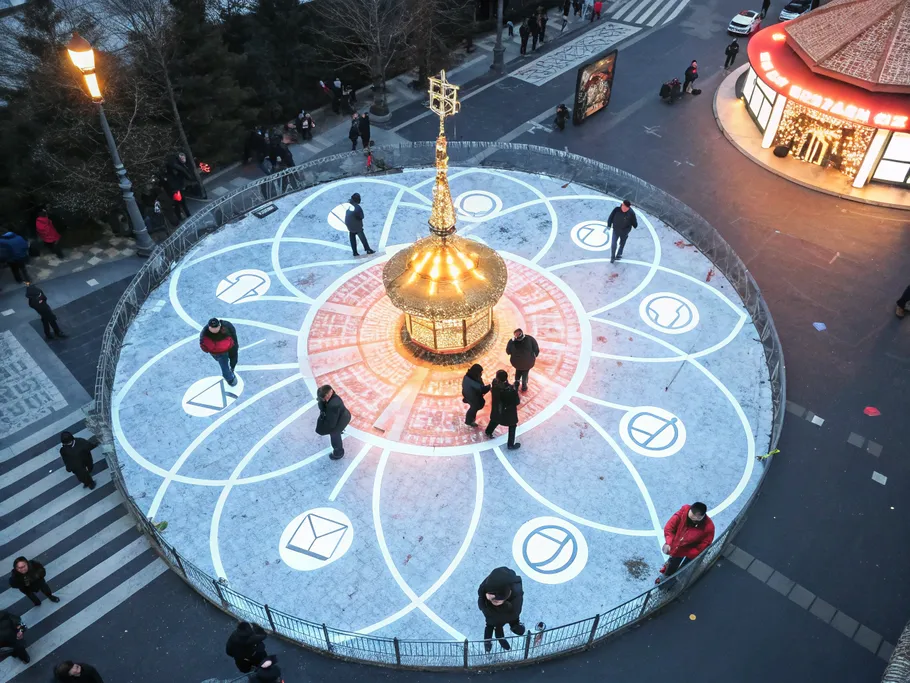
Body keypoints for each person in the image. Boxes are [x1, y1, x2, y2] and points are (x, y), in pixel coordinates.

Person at [655, 502, 715, 584]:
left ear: (701, 517)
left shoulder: (709, 528)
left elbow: (704, 545)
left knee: (685, 567)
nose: (690, 520)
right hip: (678, 547)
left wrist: (688, 552)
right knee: (672, 563)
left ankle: (677, 580)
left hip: (691, 551)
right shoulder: (683, 512)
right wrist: (669, 543)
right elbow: (669, 528)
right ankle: (667, 579)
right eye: (689, 517)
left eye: (693, 520)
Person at [477, 566, 525, 652]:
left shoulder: (515, 597)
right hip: (493, 615)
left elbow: (514, 612)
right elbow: (481, 591)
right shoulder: (488, 585)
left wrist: (514, 624)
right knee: (492, 628)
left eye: (497, 600)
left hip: (506, 614)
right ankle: (489, 645)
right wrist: (484, 605)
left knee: (496, 630)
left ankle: (499, 642)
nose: (494, 601)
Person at [484, 369, 521, 450]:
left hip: (497, 409)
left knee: (495, 419)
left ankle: (488, 431)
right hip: (508, 412)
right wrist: (516, 388)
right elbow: (517, 402)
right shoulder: (511, 390)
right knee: (512, 425)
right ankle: (510, 445)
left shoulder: (494, 385)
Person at [199, 318, 239, 386]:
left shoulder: (227, 326)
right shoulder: (205, 333)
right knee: (224, 366)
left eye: (216, 327)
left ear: (219, 325)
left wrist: (235, 345)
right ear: (209, 327)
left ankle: (232, 369)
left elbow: (233, 335)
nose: (214, 329)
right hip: (218, 353)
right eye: (212, 328)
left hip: (230, 347)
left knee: (234, 359)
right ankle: (229, 379)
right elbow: (203, 345)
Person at [316, 385, 352, 460]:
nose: (326, 398)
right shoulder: (322, 394)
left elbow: (332, 423)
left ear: (331, 391)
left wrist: (326, 428)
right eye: (324, 397)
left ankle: (338, 453)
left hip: (342, 418)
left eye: (327, 396)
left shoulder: (334, 404)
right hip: (340, 415)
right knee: (334, 430)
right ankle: (340, 430)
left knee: (334, 433)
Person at [506, 328, 539, 392]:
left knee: (518, 370)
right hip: (528, 362)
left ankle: (516, 383)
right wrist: (533, 357)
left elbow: (508, 352)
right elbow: (536, 349)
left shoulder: (512, 342)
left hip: (516, 363)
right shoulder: (530, 339)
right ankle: (524, 386)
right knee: (525, 373)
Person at [164, 152, 193, 219]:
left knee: (179, 203)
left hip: (175, 188)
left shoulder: (172, 168)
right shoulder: (174, 166)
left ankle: (182, 215)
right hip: (176, 188)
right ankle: (185, 215)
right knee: (180, 202)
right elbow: (182, 171)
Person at [608, 199, 638, 263]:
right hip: (616, 230)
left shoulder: (631, 213)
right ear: (622, 204)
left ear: (628, 208)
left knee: (622, 243)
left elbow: (635, 224)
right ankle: (612, 257)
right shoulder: (616, 209)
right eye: (623, 206)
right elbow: (611, 217)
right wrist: (609, 224)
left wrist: (634, 223)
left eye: (626, 207)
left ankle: (619, 254)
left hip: (624, 232)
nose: (624, 208)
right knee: (613, 244)